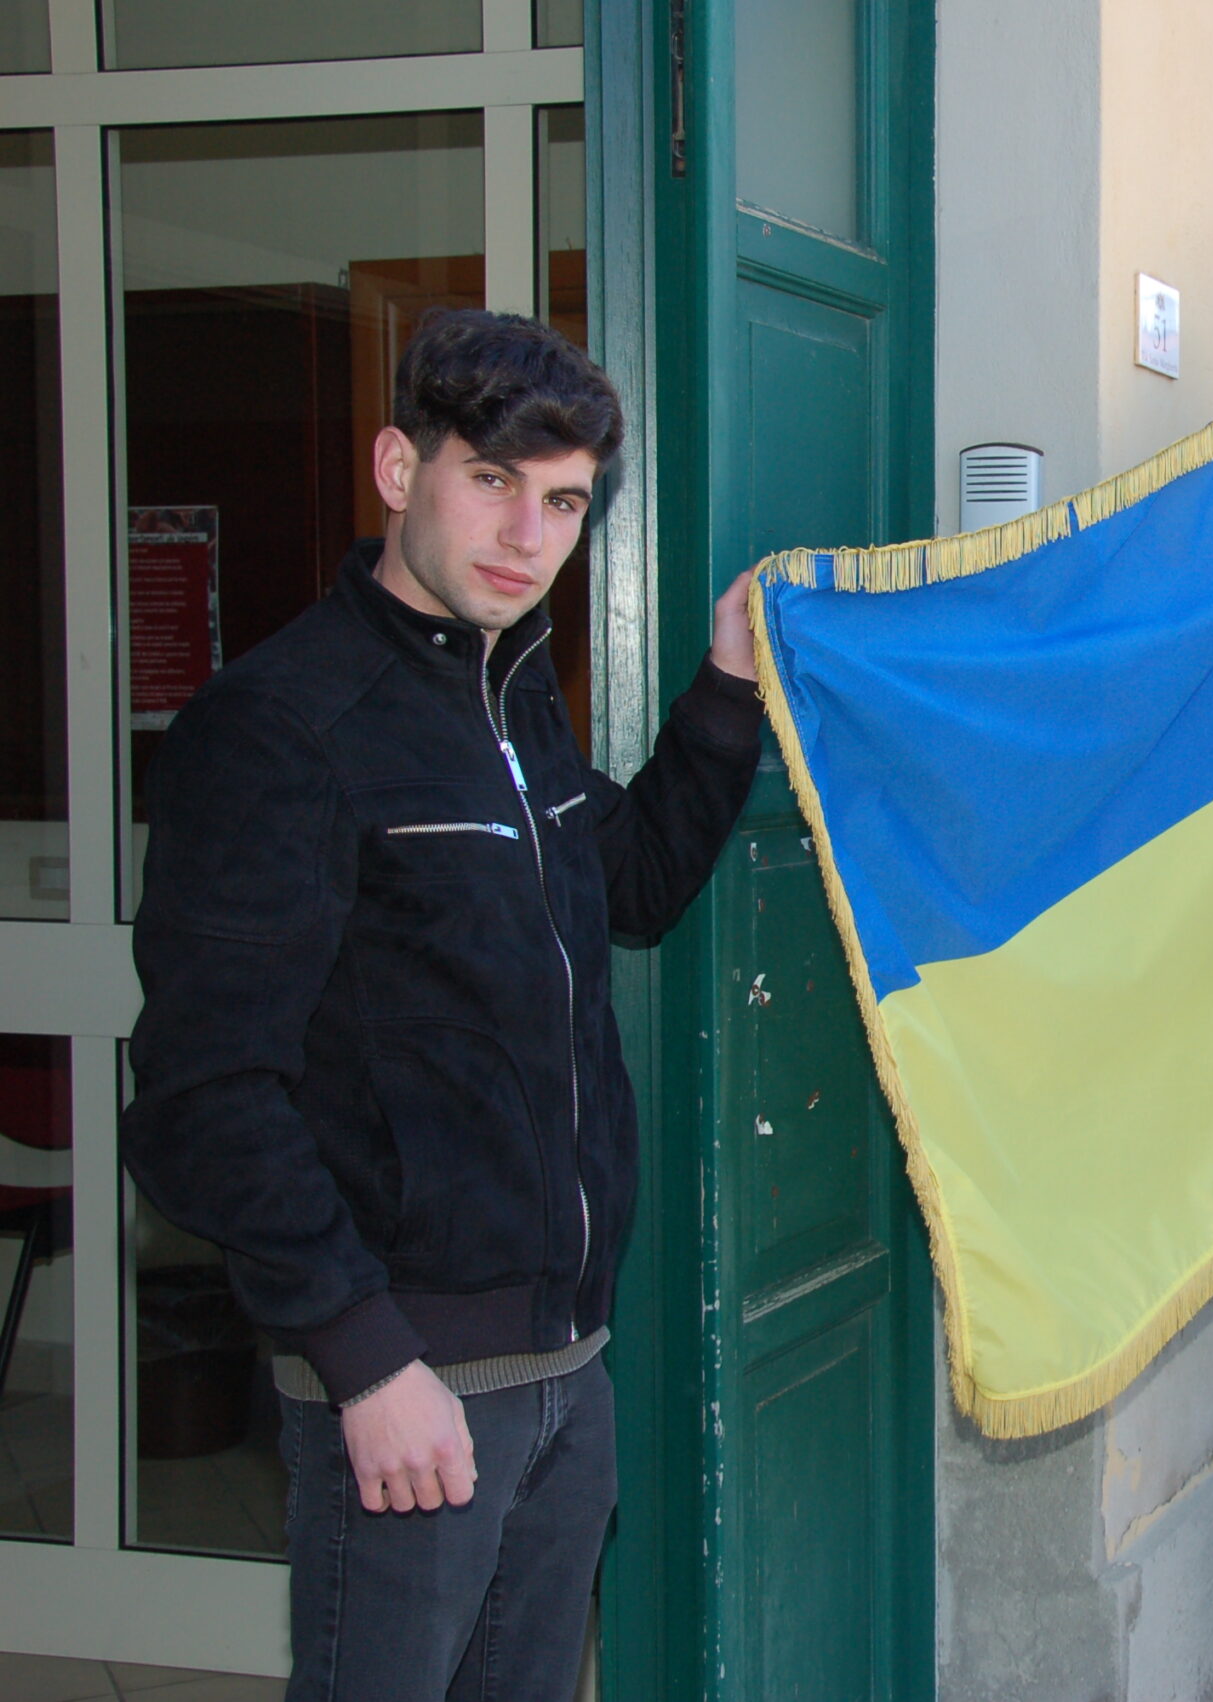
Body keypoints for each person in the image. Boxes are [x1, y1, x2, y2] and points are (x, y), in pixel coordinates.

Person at [121, 310, 764, 1701]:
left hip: (564, 1367)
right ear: (399, 467)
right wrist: (365, 1359)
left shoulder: (513, 704)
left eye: (566, 502)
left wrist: (727, 689)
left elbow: (636, 886)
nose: (527, 535)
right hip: (410, 1378)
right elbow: (199, 1094)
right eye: (494, 481)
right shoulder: (282, 727)